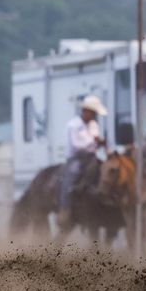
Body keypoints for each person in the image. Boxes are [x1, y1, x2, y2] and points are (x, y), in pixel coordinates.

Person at [58, 95, 107, 228]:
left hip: (91, 156)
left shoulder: (93, 125)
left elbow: (95, 140)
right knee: (71, 175)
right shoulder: (73, 125)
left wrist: (100, 142)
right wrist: (94, 142)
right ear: (86, 111)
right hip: (76, 157)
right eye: (93, 113)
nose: (94, 116)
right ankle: (65, 208)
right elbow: (76, 145)